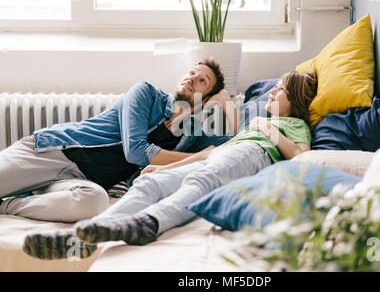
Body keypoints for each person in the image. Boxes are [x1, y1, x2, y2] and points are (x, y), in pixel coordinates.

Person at [22, 69, 318, 260]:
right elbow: (212, 153)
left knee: (201, 183)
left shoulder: (292, 125)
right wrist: (165, 168)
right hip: (229, 155)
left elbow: (303, 156)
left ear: (295, 101)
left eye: (280, 90)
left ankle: (151, 224)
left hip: (252, 154)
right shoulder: (256, 122)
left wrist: (269, 131)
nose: (273, 93)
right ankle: (85, 235)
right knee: (150, 183)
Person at [0, 57, 235, 223]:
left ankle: (8, 205)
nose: (192, 78)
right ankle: (27, 187)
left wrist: (229, 106)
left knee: (94, 202)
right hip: (51, 153)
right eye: (191, 72)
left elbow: (240, 147)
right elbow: (135, 152)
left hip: (80, 180)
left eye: (202, 80)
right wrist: (199, 157)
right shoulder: (146, 94)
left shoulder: (193, 135)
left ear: (206, 101)